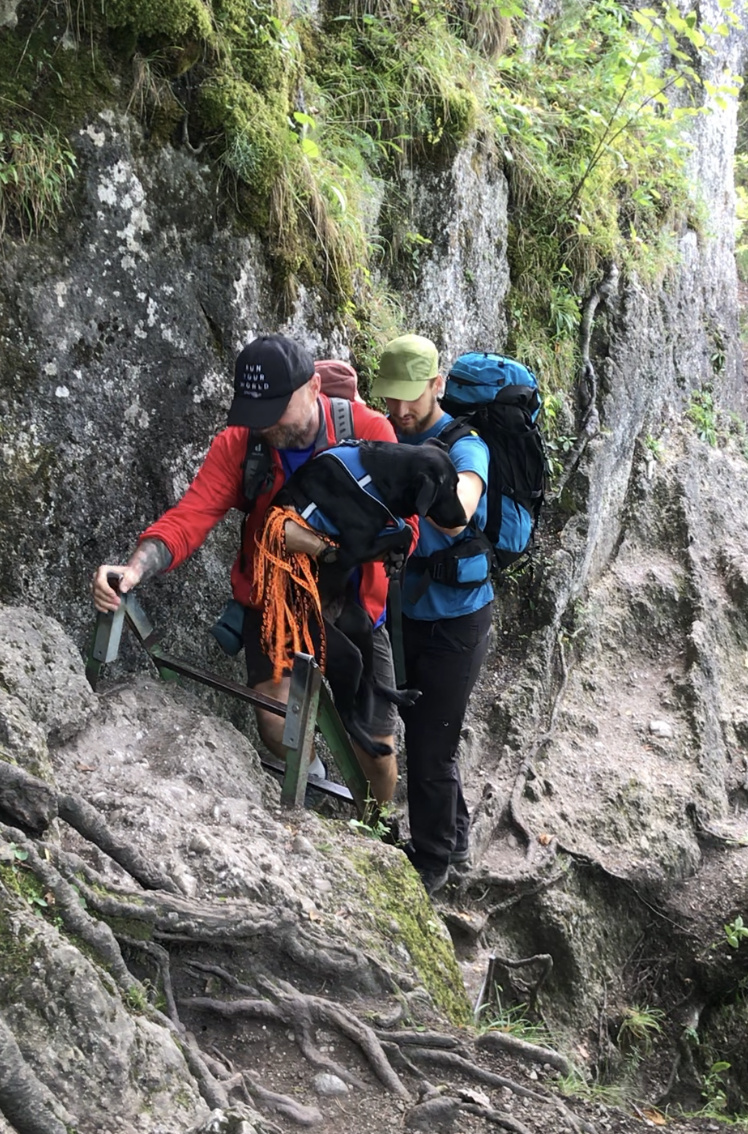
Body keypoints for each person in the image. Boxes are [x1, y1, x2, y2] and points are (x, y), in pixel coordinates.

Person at [92, 334, 415, 804]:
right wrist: (136, 568)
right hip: (276, 603)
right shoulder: (243, 445)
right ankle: (313, 790)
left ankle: (376, 822)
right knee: (276, 720)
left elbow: (406, 527)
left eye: (274, 411)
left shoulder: (369, 432)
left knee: (376, 750)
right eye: (255, 413)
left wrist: (328, 544)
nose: (264, 425)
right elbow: (191, 516)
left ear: (314, 387)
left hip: (356, 608)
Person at [371, 334, 494, 894]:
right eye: (390, 396)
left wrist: (417, 471)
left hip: (458, 619)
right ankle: (456, 835)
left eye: (410, 395)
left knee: (429, 745)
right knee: (426, 734)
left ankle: (433, 861)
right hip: (405, 613)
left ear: (436, 385)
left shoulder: (468, 447)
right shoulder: (386, 433)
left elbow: (459, 513)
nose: (399, 409)